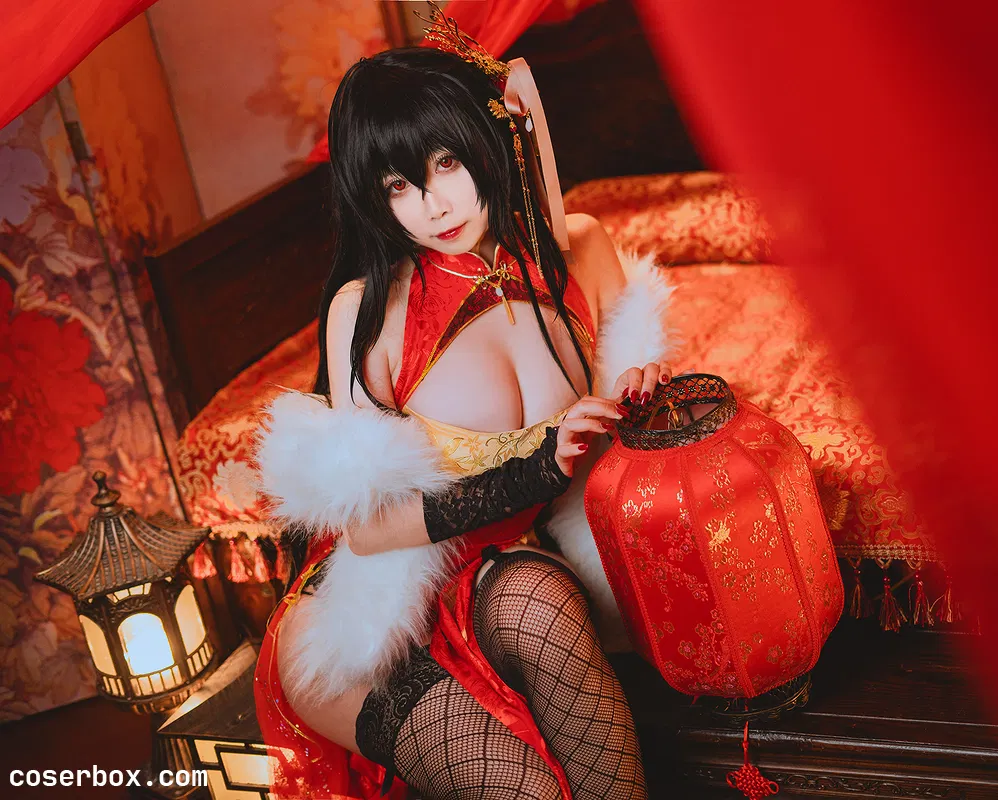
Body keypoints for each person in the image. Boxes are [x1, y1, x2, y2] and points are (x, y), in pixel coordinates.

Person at [251, 15, 679, 800]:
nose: (432, 206)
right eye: (398, 186)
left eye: (446, 163)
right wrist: (539, 467)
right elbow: (369, 529)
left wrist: (642, 387)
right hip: (372, 616)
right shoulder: (367, 309)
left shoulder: (577, 250)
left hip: (499, 574)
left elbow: (626, 428)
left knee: (545, 605)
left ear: (487, 143)